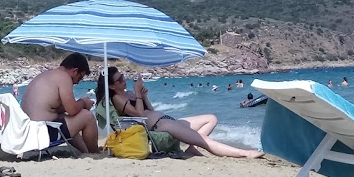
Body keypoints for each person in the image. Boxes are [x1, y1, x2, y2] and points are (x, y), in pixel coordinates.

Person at [99, 66, 260, 159]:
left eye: (123, 76)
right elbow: (139, 116)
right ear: (112, 86)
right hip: (159, 126)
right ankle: (244, 153)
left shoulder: (129, 93)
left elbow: (149, 110)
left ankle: (191, 149)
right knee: (201, 139)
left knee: (211, 118)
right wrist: (138, 94)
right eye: (119, 79)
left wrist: (144, 96)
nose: (124, 80)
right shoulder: (117, 98)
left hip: (165, 120)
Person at [19, 52, 98, 154]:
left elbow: (59, 109)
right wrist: (83, 102)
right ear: (75, 71)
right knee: (87, 116)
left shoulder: (47, 75)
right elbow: (72, 110)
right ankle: (94, 153)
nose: (78, 82)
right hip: (42, 134)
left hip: (27, 132)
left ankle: (86, 152)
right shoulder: (64, 77)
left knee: (66, 117)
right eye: (80, 78)